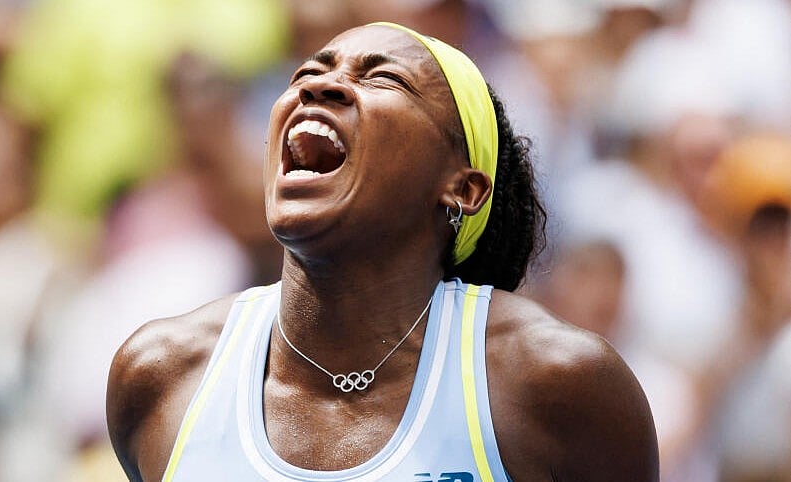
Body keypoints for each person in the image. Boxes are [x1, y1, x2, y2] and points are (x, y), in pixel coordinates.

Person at [107, 22, 658, 481]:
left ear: (462, 190)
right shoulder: (159, 375)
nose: (322, 88)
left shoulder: (555, 384)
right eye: (308, 73)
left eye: (384, 78)